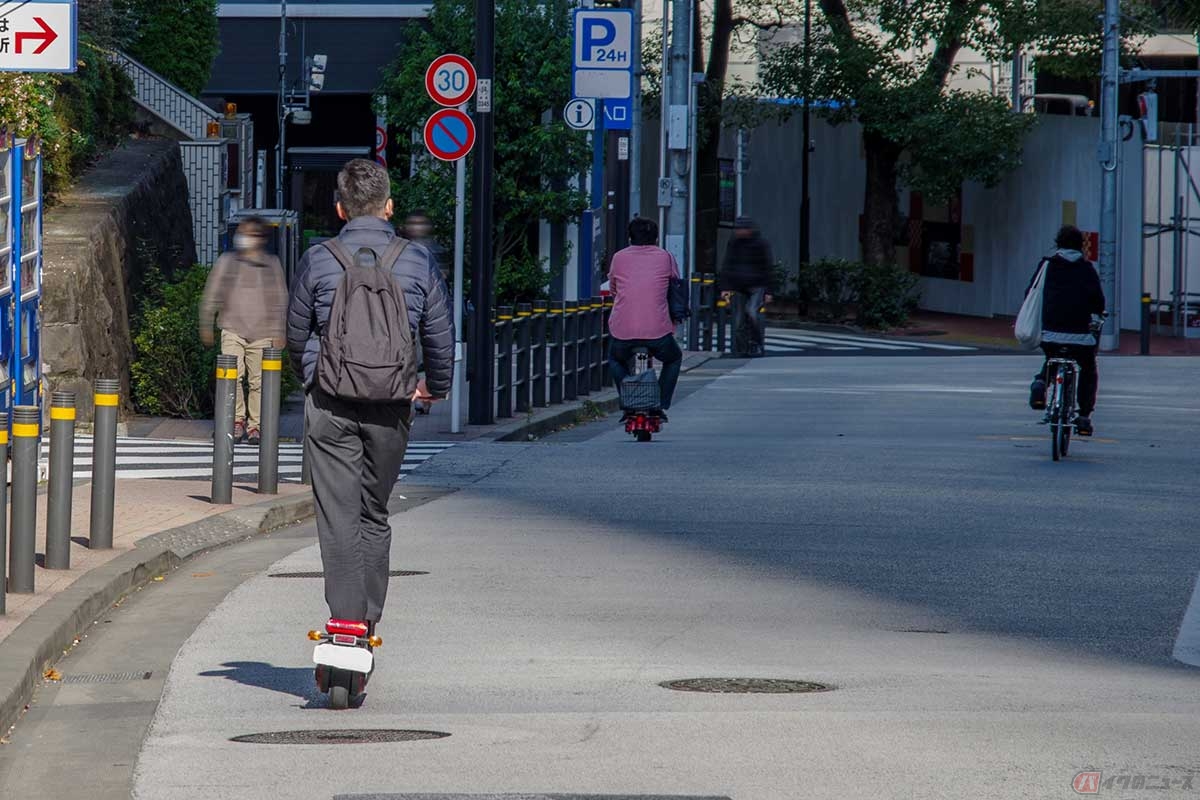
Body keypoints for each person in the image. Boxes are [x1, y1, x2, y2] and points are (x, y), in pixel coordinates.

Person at [287, 159, 454, 631]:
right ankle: (368, 624)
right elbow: (440, 335)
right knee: (373, 513)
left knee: (338, 516)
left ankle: (344, 621)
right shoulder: (416, 260)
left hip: (330, 402)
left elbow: (295, 333)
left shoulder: (319, 258)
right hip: (392, 403)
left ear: (340, 209)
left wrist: (314, 373)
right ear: (389, 206)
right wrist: (432, 387)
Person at [199, 215, 288, 445]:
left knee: (259, 382)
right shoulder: (227, 261)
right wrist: (206, 323)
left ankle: (255, 425)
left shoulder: (271, 264)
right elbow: (213, 292)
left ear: (259, 238)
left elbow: (280, 298)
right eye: (242, 232)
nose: (243, 237)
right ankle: (236, 420)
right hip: (232, 328)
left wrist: (279, 331)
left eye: (248, 233)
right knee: (232, 376)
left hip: (262, 332)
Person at [1027, 225, 1106, 436]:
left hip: (1050, 333)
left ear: (1058, 244)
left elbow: (1031, 293)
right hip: (1080, 336)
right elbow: (1098, 302)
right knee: (1088, 367)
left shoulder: (1047, 266)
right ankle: (1084, 416)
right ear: (1081, 246)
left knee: (1052, 357)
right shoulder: (1087, 269)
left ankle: (1041, 382)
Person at [607, 217, 683, 418]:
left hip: (623, 330)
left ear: (630, 237)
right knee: (674, 358)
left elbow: (613, 288)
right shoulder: (665, 257)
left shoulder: (618, 257)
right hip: (658, 331)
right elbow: (675, 284)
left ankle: (628, 398)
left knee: (615, 359)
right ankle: (659, 402)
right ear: (656, 238)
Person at [719, 216, 775, 357]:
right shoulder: (734, 244)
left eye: (742, 229)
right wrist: (725, 287)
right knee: (738, 321)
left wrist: (768, 291)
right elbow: (727, 265)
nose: (739, 232)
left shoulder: (760, 244)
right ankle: (741, 348)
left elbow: (767, 267)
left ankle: (756, 342)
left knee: (752, 313)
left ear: (749, 230)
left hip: (756, 285)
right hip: (738, 286)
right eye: (738, 229)